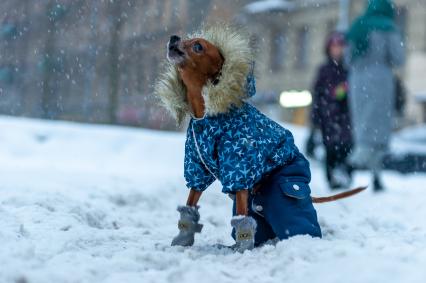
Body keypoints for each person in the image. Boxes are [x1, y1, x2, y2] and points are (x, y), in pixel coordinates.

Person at [346, 0, 405, 191]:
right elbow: (398, 57)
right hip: (380, 81)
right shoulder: (388, 27)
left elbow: (347, 59)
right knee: (378, 130)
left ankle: (358, 167)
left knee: (362, 126)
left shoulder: (356, 26)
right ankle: (363, 169)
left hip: (357, 81)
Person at [311, 32, 353, 189]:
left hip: (345, 118)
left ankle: (345, 176)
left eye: (340, 47)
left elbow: (353, 94)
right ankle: (332, 178)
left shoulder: (348, 70)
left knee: (346, 147)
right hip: (327, 117)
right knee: (330, 149)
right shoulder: (323, 70)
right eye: (334, 47)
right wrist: (315, 119)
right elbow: (317, 95)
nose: (337, 50)